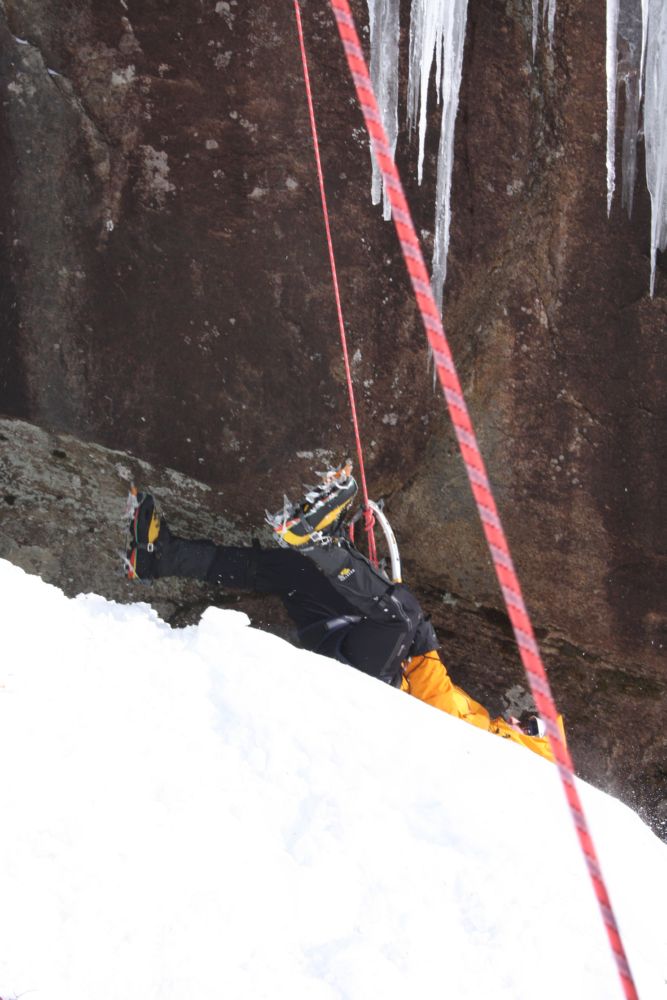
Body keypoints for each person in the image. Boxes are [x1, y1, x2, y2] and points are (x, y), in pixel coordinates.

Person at [125, 463, 564, 763]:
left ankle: (316, 539)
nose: (517, 719)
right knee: (295, 572)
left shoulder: (491, 755)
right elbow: (434, 683)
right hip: (348, 652)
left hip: (375, 692)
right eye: (526, 719)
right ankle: (159, 557)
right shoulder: (484, 724)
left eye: (527, 726)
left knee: (401, 616)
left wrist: (420, 637)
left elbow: (434, 702)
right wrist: (422, 643)